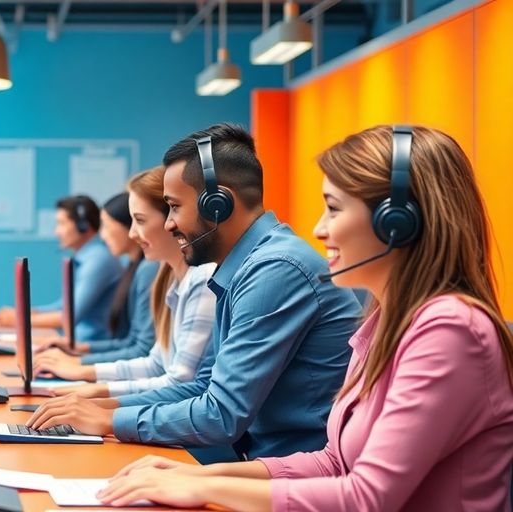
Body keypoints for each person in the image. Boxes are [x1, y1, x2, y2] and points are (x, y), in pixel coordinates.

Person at [97, 125, 513, 511]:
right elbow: (335, 461)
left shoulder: (450, 331)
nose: (318, 229)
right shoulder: (389, 321)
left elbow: (368, 496)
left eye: (333, 208)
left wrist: (204, 486)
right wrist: (199, 474)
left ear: (396, 224)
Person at [28, 124, 362, 462]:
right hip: (258, 463)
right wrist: (98, 407)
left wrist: (109, 419)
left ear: (217, 206)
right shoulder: (242, 267)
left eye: (173, 207)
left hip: (287, 472)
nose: (169, 224)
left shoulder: (275, 270)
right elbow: (204, 387)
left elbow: (221, 415)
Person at [33, 168, 217, 398]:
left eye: (139, 220)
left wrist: (96, 391)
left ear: (173, 220)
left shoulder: (200, 281)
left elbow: (181, 383)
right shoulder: (172, 281)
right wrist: (87, 379)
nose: (132, 234)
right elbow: (156, 364)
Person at [36, 190, 160, 362]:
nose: (103, 235)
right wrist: (80, 351)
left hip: (114, 360)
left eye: (107, 226)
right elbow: (130, 342)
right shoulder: (133, 267)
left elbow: (140, 348)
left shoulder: (141, 268)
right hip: (107, 355)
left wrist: (79, 361)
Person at [0, 195, 123, 341]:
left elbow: (68, 316)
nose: (57, 232)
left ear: (83, 226)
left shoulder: (98, 259)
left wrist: (19, 320)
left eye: (61, 223)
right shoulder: (89, 258)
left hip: (91, 349)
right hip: (78, 345)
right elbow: (62, 305)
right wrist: (24, 313)